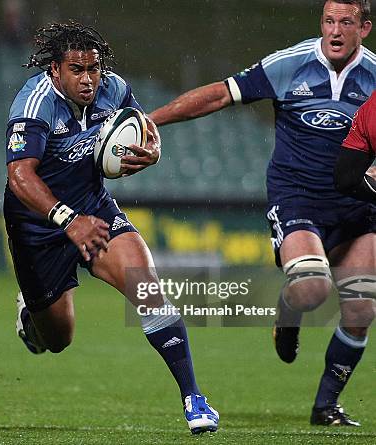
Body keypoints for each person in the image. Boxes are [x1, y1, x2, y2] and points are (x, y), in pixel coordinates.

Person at [149, 0, 375, 426]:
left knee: (361, 308)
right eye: (329, 20)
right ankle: (287, 316)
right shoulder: (289, 64)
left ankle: (326, 405)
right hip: (298, 197)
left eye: (346, 22)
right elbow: (220, 93)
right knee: (311, 290)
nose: (335, 30)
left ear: (364, 27)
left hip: (359, 203)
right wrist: (151, 120)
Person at [3, 21, 219, 434]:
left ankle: (194, 399)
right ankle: (31, 315)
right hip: (38, 228)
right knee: (58, 339)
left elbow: (143, 130)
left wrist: (151, 152)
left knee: (149, 288)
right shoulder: (34, 104)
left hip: (94, 208)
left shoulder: (114, 89)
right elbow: (20, 177)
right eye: (76, 70)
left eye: (93, 68)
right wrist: (67, 221)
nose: (88, 79)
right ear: (55, 71)